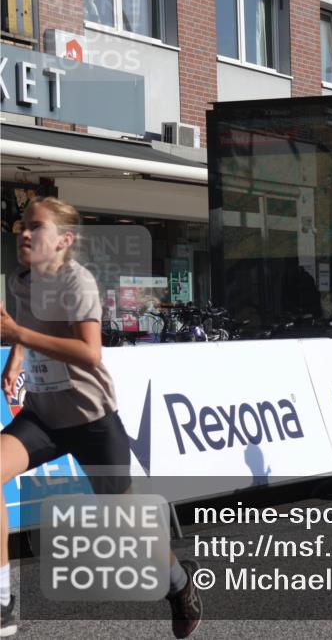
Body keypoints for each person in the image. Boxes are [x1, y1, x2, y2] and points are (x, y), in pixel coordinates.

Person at [0, 198, 203, 639]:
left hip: (92, 421)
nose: (25, 235)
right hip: (42, 416)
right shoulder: (20, 281)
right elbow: (23, 319)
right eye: (22, 227)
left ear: (64, 240)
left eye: (36, 227)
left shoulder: (78, 282)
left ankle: (178, 583)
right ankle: (3, 602)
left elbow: (90, 353)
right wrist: (16, 356)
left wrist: (18, 336)